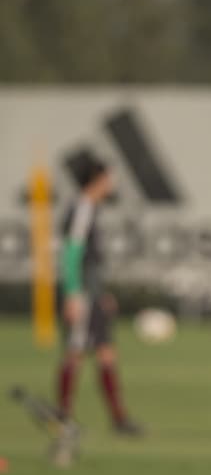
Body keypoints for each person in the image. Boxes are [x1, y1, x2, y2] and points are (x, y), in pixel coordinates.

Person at [54, 152, 143, 437]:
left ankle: (119, 419)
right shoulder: (81, 207)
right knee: (76, 354)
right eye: (109, 177)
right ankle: (63, 417)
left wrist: (101, 293)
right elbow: (71, 252)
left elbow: (90, 259)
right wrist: (72, 294)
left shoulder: (91, 207)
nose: (112, 182)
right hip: (80, 296)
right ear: (97, 179)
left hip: (92, 294)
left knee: (106, 353)